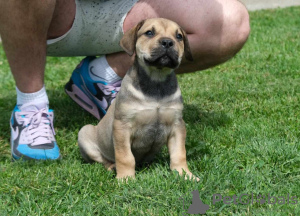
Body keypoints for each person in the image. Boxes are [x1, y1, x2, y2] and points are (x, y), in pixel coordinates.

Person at [0, 0, 250, 160]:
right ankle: (31, 106)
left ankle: (102, 76)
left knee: (231, 21)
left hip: (129, 7)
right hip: (51, 10)